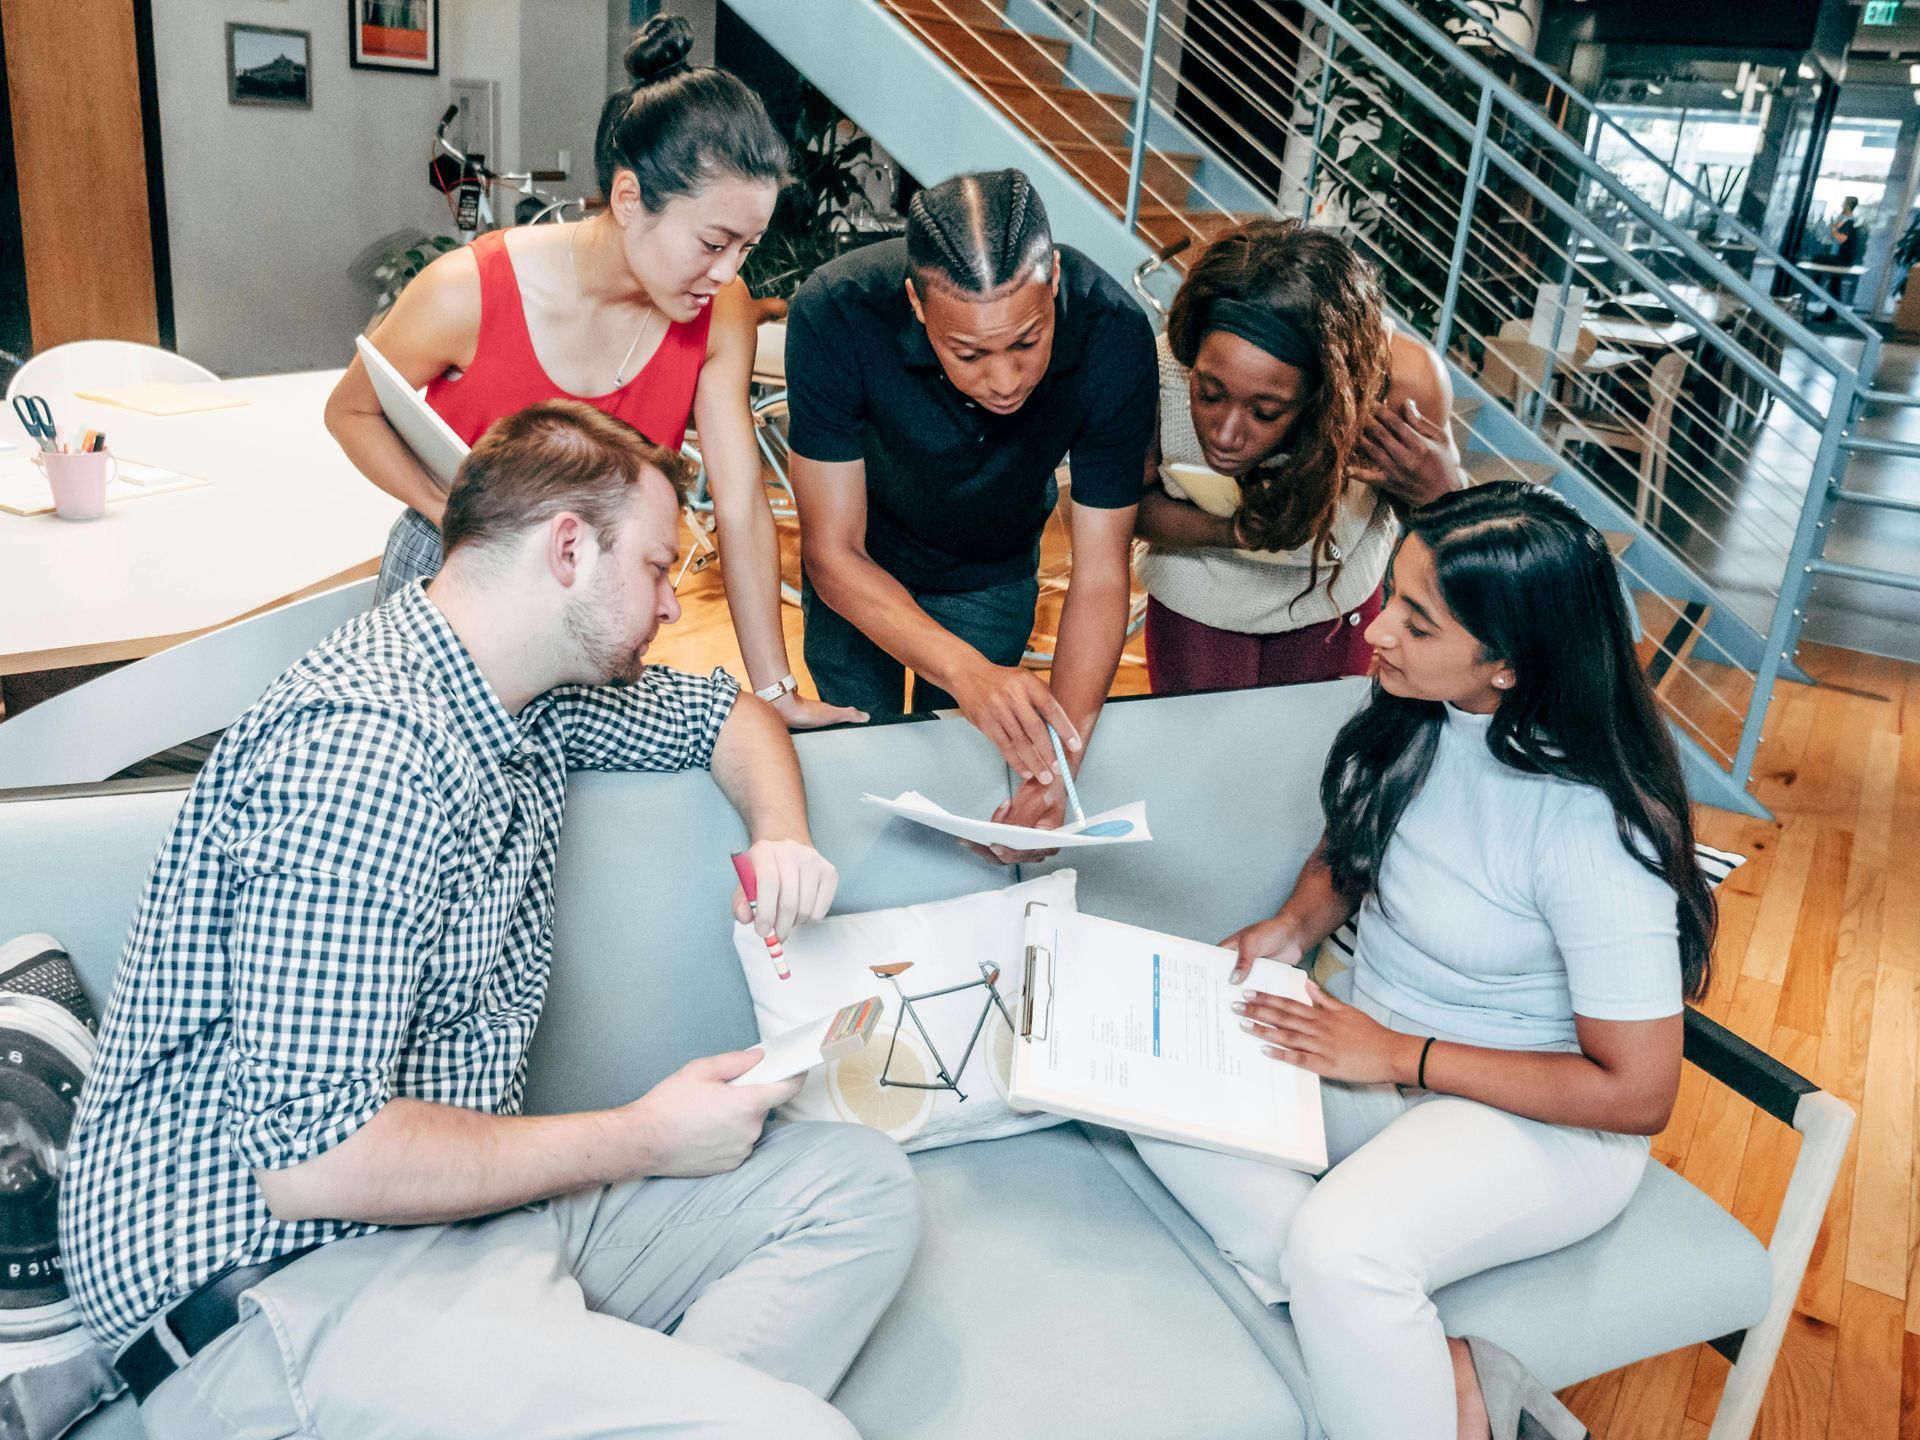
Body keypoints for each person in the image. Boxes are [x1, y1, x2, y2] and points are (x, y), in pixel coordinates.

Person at [58, 401, 918, 1440]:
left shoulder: (530, 691)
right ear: (567, 549)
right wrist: (645, 1136)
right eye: (655, 567)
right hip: (279, 1287)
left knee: (858, 1186)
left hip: (468, 1228)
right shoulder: (366, 753)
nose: (666, 603)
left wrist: (781, 834)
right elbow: (315, 1163)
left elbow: (730, 717)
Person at [1131, 482, 1716, 1440]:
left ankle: (1369, 1325)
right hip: (1375, 1056)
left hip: (1537, 1117)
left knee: (1343, 1252)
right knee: (1153, 1085)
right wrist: (1290, 926)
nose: (1380, 633)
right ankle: (1434, 1365)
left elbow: (1639, 1094)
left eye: (1418, 621)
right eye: (1393, 598)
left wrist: (1399, 1054)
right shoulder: (1422, 711)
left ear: (1509, 665)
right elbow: (1355, 842)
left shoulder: (1595, 829)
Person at [325, 16, 860, 730]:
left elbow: (739, 504)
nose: (730, 272)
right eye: (712, 241)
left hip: (599, 597)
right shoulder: (467, 291)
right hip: (455, 575)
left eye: (747, 245)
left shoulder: (718, 311)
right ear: (630, 198)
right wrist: (451, 510)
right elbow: (350, 413)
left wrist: (774, 693)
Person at [785, 169, 1156, 851]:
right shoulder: (836, 310)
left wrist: (1057, 775)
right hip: (863, 569)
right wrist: (966, 673)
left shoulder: (1114, 335)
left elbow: (1102, 573)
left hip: (993, 568)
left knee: (971, 776)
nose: (1006, 380)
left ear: (1054, 287)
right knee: (862, 761)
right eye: (969, 353)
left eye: (1027, 341)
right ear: (917, 306)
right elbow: (831, 552)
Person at [1135, 219, 1465, 696]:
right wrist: (1240, 532)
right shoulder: (1160, 368)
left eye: (1265, 411)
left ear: (1326, 395)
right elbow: (1124, 507)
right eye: (1208, 394)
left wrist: (1441, 492)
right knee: (1201, 761)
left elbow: (1451, 539)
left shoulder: (1401, 385)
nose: (1226, 435)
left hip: (1337, 600)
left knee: (1314, 759)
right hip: (1198, 591)